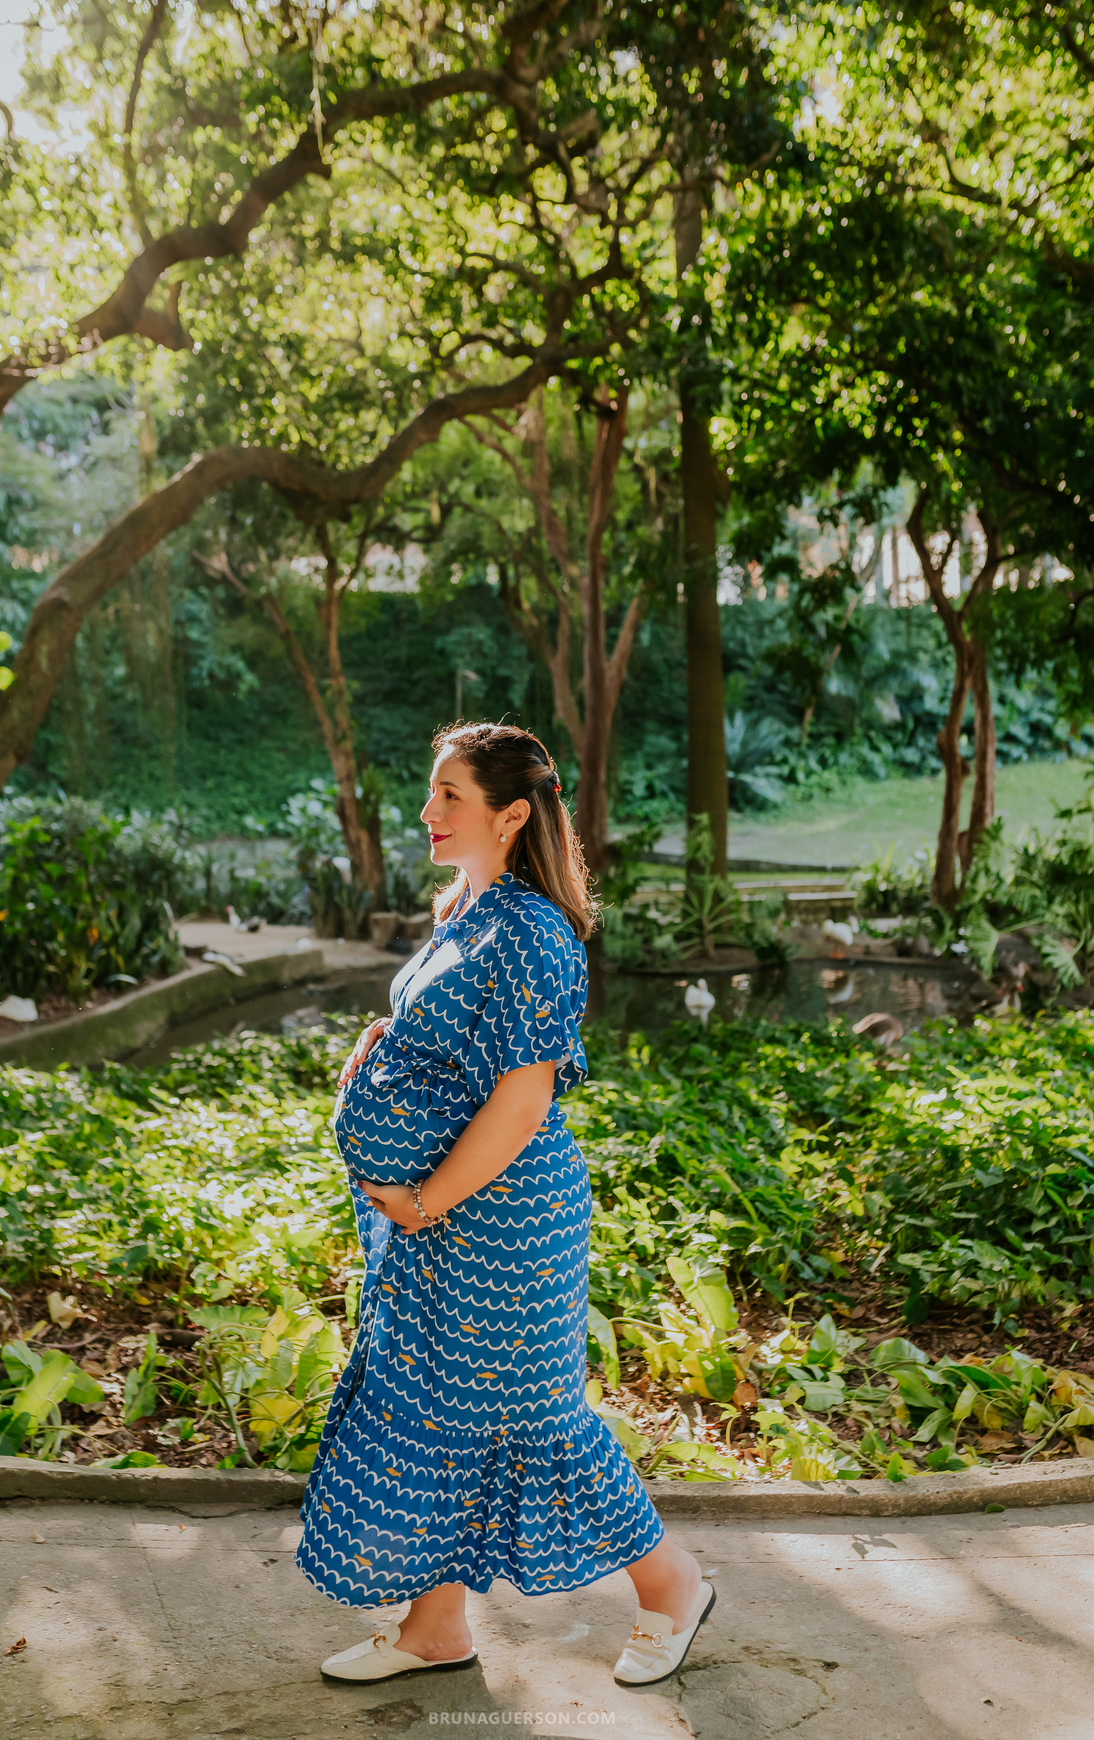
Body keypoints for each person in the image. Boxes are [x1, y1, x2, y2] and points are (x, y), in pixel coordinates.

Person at [296, 722, 713, 1688]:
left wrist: (424, 1200)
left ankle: (673, 1586)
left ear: (511, 813)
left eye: (449, 795)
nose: (428, 812)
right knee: (432, 1412)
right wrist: (384, 1048)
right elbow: (455, 1042)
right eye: (432, 791)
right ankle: (437, 1627)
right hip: (438, 1220)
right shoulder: (469, 907)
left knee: (535, 1419)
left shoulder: (532, 931)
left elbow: (523, 1101)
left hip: (501, 1222)